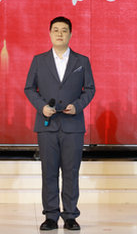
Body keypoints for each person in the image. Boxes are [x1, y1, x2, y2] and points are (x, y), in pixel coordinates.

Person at [24, 16, 95, 231]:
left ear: (70, 34)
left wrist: (77, 106)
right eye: (55, 30)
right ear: (49, 33)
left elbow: (89, 89)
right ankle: (51, 216)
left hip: (73, 125)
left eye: (64, 30)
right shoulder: (39, 60)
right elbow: (29, 88)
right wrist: (41, 107)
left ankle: (70, 215)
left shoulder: (81, 61)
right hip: (47, 124)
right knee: (49, 172)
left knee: (71, 172)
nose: (60, 34)